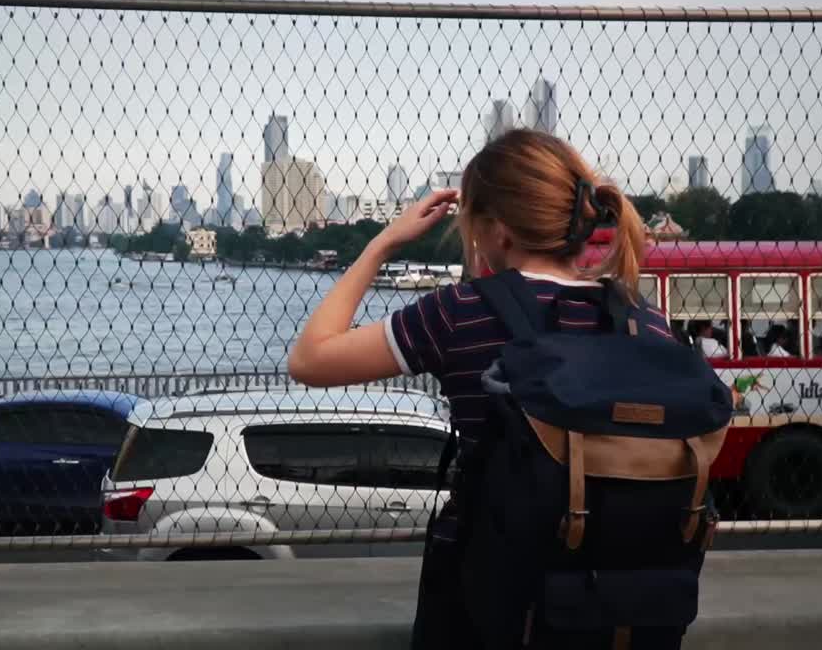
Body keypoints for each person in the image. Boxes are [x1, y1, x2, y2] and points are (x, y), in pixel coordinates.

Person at [289, 130, 690, 649]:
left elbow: (310, 358)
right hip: (617, 603)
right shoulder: (644, 323)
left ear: (497, 232)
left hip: (484, 603)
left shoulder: (461, 312)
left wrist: (383, 243)